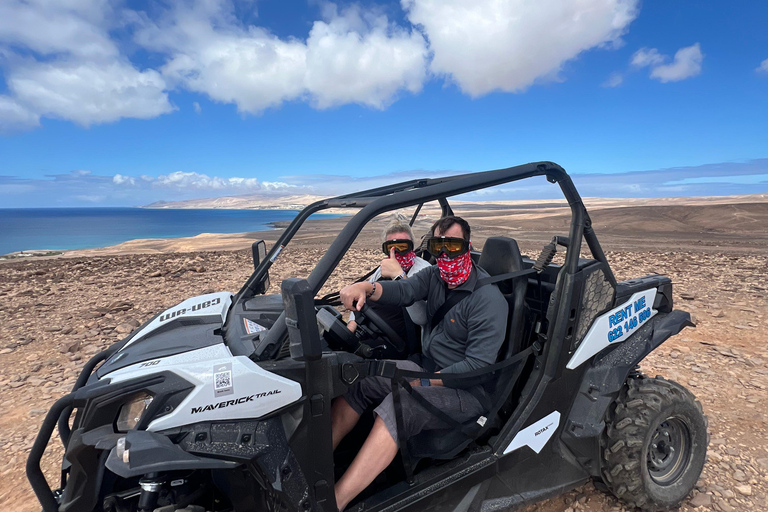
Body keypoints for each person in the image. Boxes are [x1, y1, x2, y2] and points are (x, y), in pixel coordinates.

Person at [333, 216, 508, 511]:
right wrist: (367, 287)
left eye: (452, 246)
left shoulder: (488, 300)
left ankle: (335, 501)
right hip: (427, 367)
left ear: (467, 246)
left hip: (466, 391)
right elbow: (404, 291)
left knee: (400, 405)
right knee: (362, 382)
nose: (444, 255)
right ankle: (314, 471)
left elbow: (476, 366)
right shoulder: (436, 277)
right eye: (437, 246)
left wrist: (424, 381)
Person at [347, 215, 431, 356]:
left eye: (403, 247)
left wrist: (399, 275)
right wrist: (351, 325)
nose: (396, 253)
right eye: (391, 247)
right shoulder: (383, 270)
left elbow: (422, 318)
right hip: (377, 332)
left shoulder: (423, 271)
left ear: (412, 246)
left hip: (408, 345)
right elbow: (364, 295)